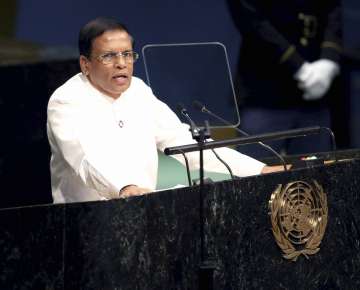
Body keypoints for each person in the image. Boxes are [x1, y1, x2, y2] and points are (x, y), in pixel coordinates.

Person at [47, 17, 281, 204]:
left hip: (142, 211)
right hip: (83, 224)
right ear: (85, 64)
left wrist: (260, 170)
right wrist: (125, 188)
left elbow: (187, 145)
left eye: (127, 54)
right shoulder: (67, 101)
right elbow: (85, 161)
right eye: (109, 56)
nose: (122, 63)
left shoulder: (139, 92)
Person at [227, 0, 342, 158]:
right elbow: (251, 18)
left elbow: (333, 12)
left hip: (317, 91)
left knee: (317, 177)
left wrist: (329, 60)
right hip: (265, 93)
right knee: (257, 175)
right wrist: (300, 68)